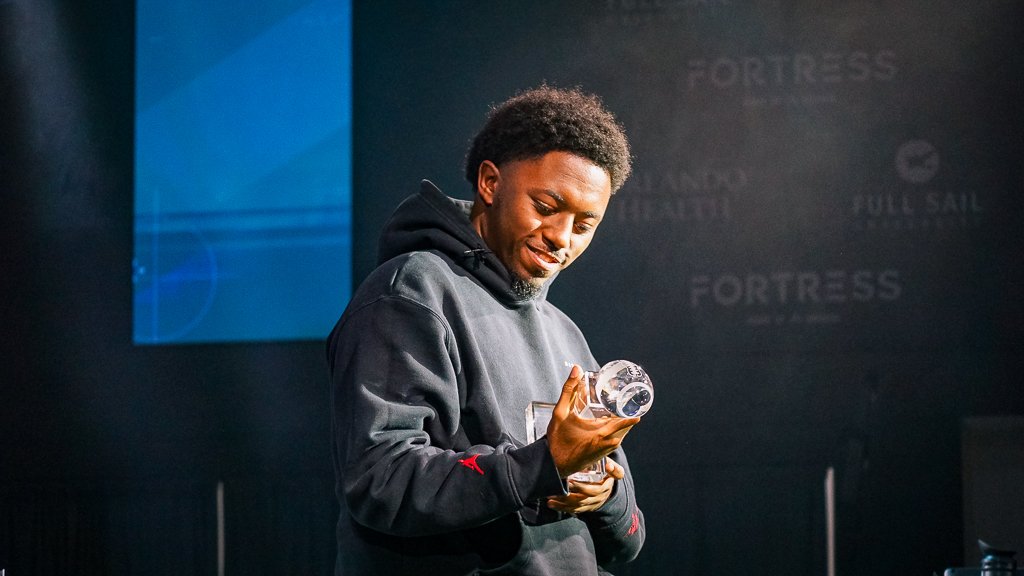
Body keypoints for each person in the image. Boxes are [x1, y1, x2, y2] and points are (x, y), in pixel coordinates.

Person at [327, 85, 645, 575]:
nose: (561, 237)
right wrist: (544, 465)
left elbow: (628, 542)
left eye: (584, 225)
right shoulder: (412, 293)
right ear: (491, 183)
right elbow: (381, 482)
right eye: (545, 206)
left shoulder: (565, 333)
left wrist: (603, 494)